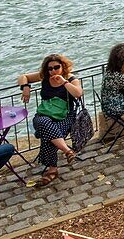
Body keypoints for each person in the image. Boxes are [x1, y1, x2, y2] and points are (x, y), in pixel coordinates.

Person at [18, 53, 83, 187]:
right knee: (44, 123)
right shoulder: (45, 77)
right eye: (50, 68)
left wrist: (64, 82)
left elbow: (78, 93)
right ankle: (67, 151)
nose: (53, 71)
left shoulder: (70, 79)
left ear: (63, 67)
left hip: (65, 116)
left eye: (56, 67)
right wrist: (25, 88)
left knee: (49, 133)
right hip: (44, 114)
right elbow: (23, 76)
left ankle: (52, 170)